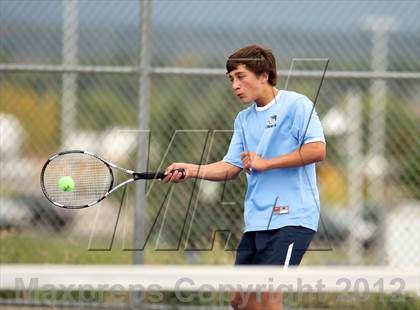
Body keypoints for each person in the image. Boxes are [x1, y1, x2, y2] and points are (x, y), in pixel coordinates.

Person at [163, 45, 326, 310]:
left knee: (267, 295)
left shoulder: (297, 105)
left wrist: (267, 163)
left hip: (294, 219)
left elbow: (317, 149)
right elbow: (230, 166)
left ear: (264, 75)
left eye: (241, 76)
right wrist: (191, 169)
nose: (235, 85)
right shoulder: (243, 120)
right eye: (231, 79)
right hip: (257, 222)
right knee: (240, 300)